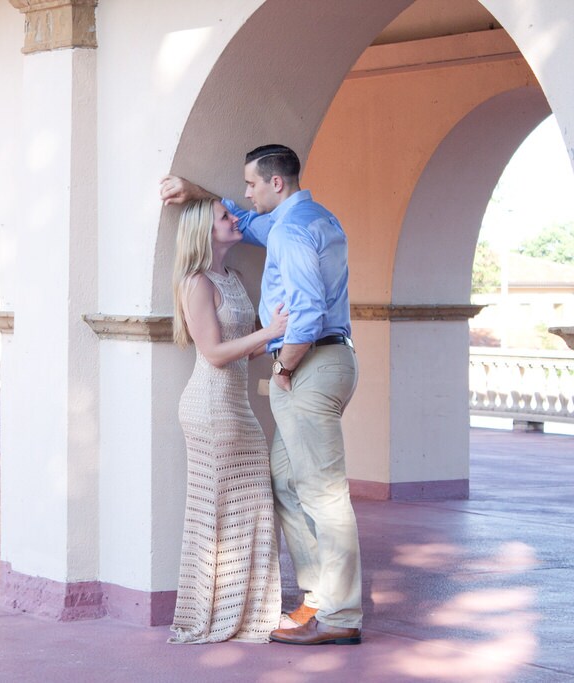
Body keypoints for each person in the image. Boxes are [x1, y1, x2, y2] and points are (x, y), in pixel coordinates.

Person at [160, 144, 362, 646]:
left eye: (250, 185)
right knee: (286, 482)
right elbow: (239, 220)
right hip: (322, 360)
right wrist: (198, 194)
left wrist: (285, 365)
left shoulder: (290, 231)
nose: (243, 198)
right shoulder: (309, 218)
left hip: (308, 361)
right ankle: (318, 596)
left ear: (275, 184)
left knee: (323, 493)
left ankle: (340, 615)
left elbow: (307, 312)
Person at [168, 198, 289, 644]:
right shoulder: (195, 283)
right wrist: (270, 332)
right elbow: (215, 354)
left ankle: (249, 611)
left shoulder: (233, 278)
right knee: (215, 512)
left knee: (255, 506)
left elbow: (247, 347)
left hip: (236, 405)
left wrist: (277, 340)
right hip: (208, 408)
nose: (234, 220)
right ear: (205, 230)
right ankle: (213, 613)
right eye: (224, 217)